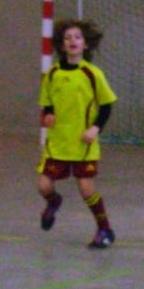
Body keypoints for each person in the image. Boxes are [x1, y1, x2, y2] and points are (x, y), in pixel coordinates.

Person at [36, 18, 118, 249]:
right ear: (62, 45)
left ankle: (104, 229)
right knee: (43, 186)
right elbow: (47, 102)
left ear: (86, 44)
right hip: (58, 144)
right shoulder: (52, 74)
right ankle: (53, 202)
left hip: (83, 144)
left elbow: (107, 105)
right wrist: (49, 115)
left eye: (78, 37)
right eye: (68, 38)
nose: (73, 41)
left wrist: (95, 128)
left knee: (86, 188)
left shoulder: (92, 74)